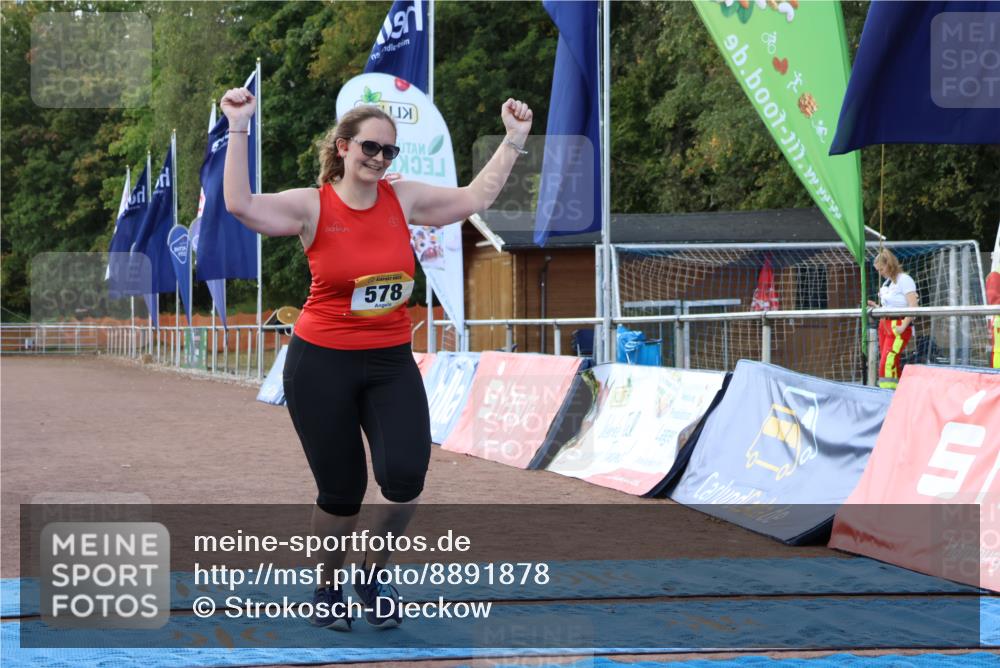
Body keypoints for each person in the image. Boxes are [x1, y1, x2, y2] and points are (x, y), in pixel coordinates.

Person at [219, 87, 533, 630]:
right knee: (341, 493)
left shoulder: (403, 198)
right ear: (342, 147)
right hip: (321, 364)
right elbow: (240, 205)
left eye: (389, 152)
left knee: (405, 478)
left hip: (390, 362)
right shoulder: (312, 204)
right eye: (370, 148)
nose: (380, 159)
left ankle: (370, 574)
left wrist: (513, 139)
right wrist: (239, 126)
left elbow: (475, 197)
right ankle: (326, 587)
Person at [867, 249, 918, 389]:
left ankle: (887, 393)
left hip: (899, 324)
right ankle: (901, 390)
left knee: (887, 361)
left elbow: (913, 306)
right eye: (878, 270)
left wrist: (903, 326)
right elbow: (891, 305)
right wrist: (877, 307)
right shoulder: (887, 283)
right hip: (884, 324)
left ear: (889, 265)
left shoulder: (905, 280)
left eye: (881, 269)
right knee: (890, 361)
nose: (880, 272)